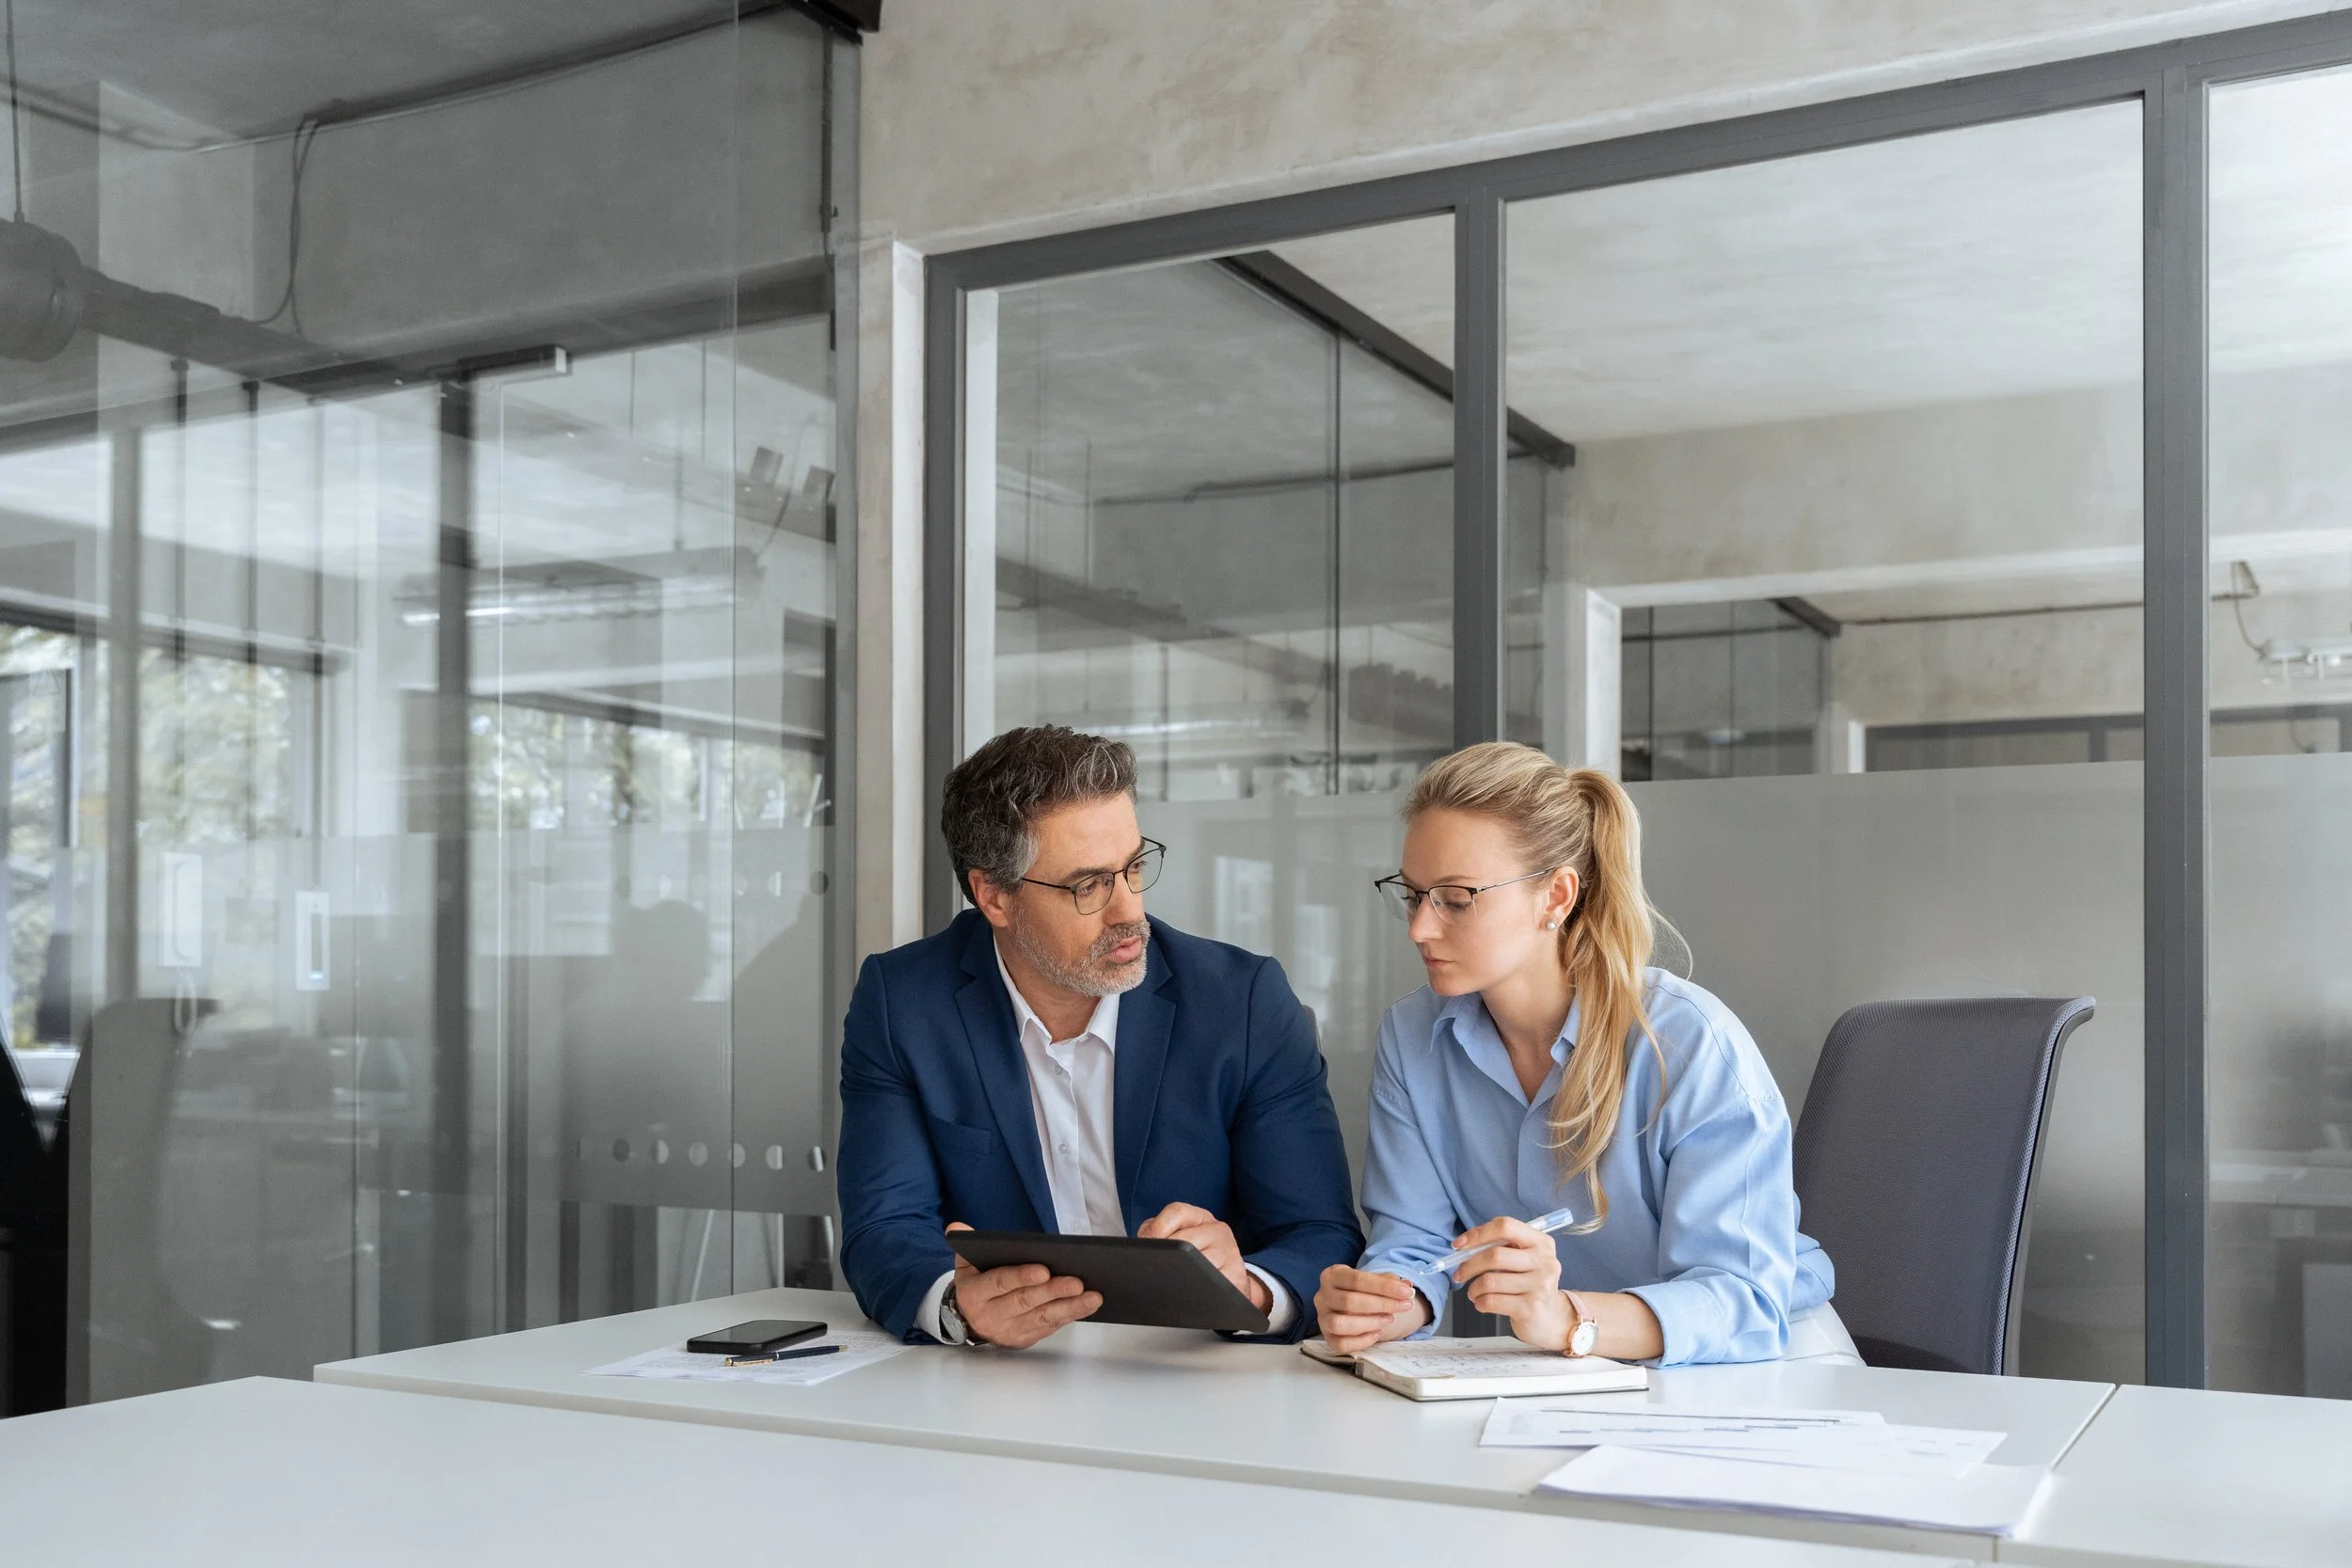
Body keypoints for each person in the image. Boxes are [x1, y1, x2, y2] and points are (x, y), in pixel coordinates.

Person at [1313, 742, 1838, 1366]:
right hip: (1573, 1375)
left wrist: (1566, 1317)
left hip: (1763, 1366)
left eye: (1455, 899)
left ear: (1556, 897)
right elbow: (1416, 1248)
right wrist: (1378, 1307)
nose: (1419, 929)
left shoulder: (1690, 1043)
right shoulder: (1412, 1037)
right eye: (1412, 893)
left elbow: (1743, 1299)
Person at [837, 725, 1363, 1347]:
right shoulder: (904, 1002)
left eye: (1134, 866)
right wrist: (958, 1307)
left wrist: (1248, 1287)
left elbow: (1321, 1230)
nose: (1129, 910)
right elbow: (884, 1226)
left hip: (1202, 1374)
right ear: (994, 895)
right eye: (1089, 885)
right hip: (1006, 1382)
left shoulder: (1241, 1002)